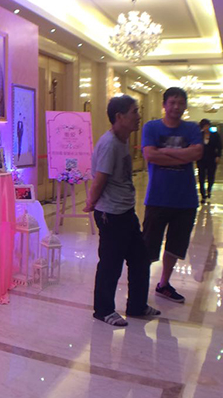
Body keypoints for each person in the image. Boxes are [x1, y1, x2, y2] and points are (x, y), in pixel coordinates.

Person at [84, 95, 160, 326]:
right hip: (111, 214)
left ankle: (137, 305)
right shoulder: (109, 144)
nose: (138, 116)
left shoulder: (122, 139)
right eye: (134, 112)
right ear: (119, 117)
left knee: (140, 259)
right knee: (111, 263)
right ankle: (103, 310)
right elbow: (100, 178)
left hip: (125, 211)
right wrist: (91, 203)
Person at [142, 87, 203, 303]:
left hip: (185, 200)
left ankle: (164, 284)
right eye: (172, 102)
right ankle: (140, 286)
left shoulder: (192, 128)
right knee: (148, 246)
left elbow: (197, 152)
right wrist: (183, 155)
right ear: (164, 105)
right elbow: (150, 155)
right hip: (158, 197)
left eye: (180, 103)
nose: (176, 107)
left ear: (185, 105)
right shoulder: (151, 127)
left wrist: (165, 152)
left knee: (175, 246)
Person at [197, 118, 222, 203]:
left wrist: (218, 156)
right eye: (204, 126)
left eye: (207, 126)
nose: (206, 128)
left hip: (212, 158)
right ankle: (202, 194)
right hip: (201, 159)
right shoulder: (199, 135)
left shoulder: (215, 135)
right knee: (201, 176)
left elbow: (219, 146)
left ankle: (209, 190)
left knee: (211, 176)